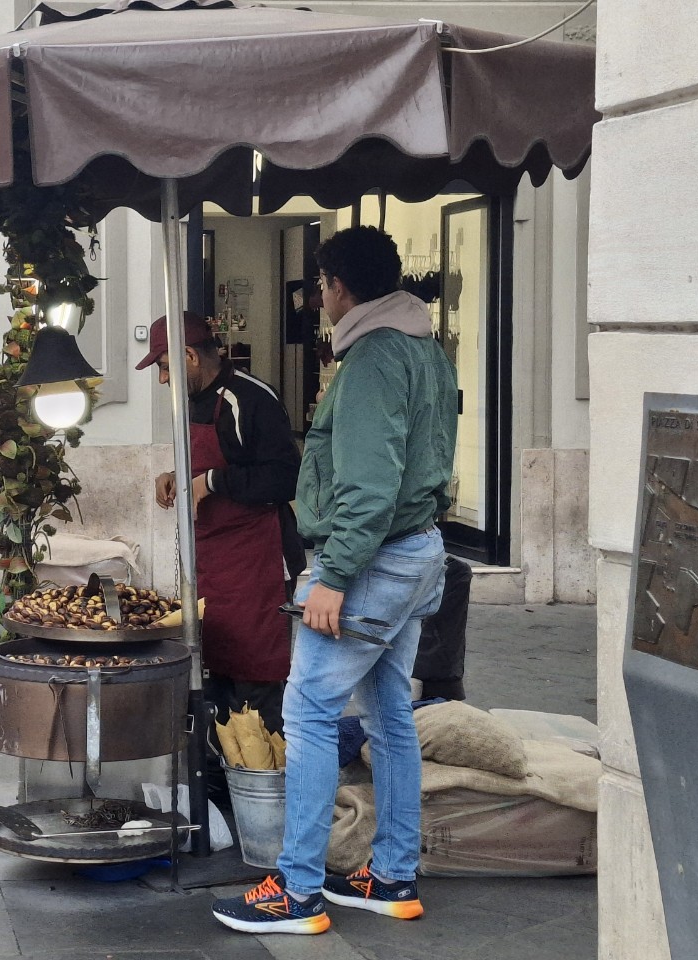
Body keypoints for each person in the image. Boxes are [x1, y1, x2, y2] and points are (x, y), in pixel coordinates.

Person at [212, 226, 457, 936]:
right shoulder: (422, 350)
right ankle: (391, 876)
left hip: (374, 560)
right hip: (415, 553)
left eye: (320, 285)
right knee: (388, 718)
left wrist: (333, 577)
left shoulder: (376, 358)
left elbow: (370, 488)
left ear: (339, 287)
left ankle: (296, 890)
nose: (318, 297)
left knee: (310, 713)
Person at [135, 312, 302, 736]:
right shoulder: (191, 401)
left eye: (164, 367)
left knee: (255, 680)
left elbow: (285, 477)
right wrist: (176, 474)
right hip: (212, 561)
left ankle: (261, 786)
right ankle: (216, 784)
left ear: (189, 356)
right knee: (215, 678)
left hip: (257, 564)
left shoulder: (251, 398)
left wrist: (210, 481)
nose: (161, 380)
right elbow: (207, 460)